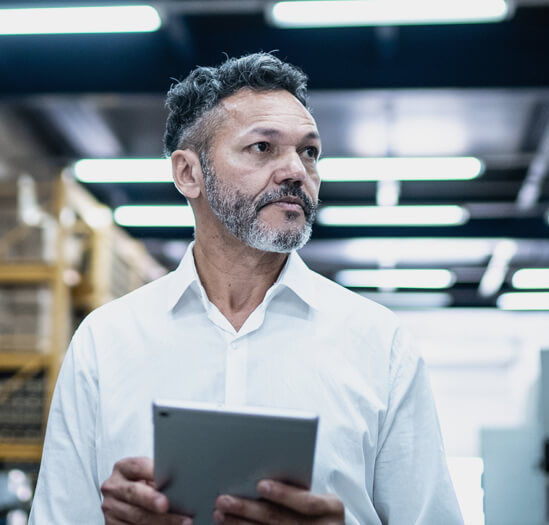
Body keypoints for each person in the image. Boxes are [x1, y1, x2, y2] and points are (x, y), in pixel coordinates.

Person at [29, 52, 463, 524]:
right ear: (188, 174)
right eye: (262, 147)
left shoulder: (379, 343)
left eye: (309, 151)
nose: (296, 170)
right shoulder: (105, 341)